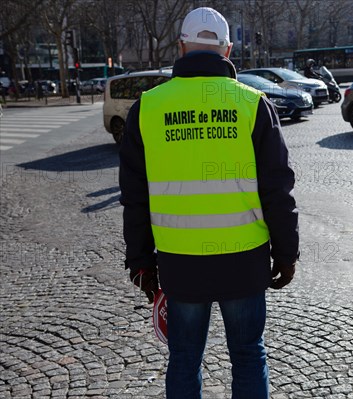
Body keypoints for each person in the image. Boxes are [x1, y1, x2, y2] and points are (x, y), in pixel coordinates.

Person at [118, 7, 299, 399]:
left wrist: (140, 261)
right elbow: (277, 189)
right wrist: (286, 254)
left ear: (181, 47)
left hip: (180, 264)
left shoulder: (148, 107)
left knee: (184, 359)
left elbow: (134, 197)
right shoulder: (252, 104)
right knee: (249, 355)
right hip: (244, 260)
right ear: (228, 51)